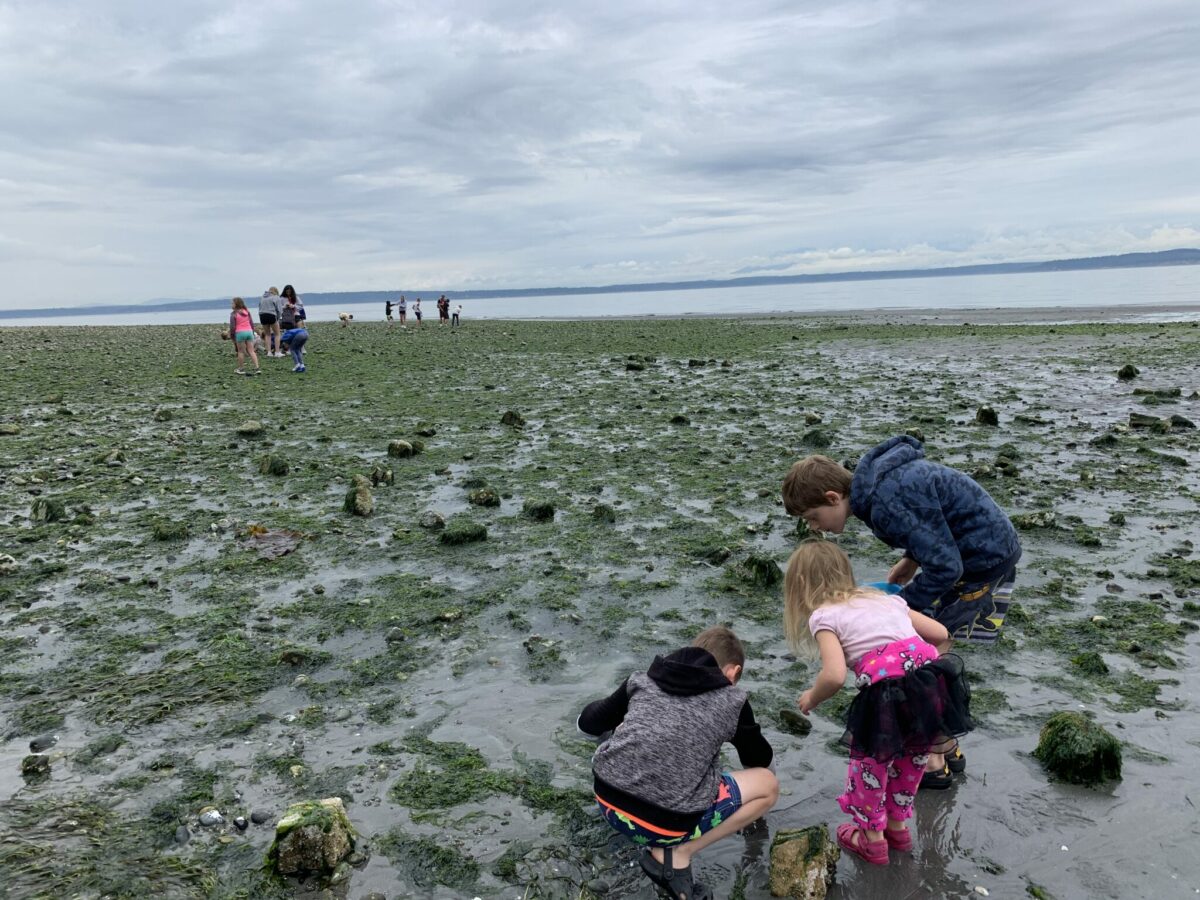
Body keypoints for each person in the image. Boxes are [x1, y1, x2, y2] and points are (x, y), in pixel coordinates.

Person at [781, 435, 1020, 785]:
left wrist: (896, 605)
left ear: (833, 498)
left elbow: (946, 568)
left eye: (814, 518)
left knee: (930, 645)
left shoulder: (883, 505)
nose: (816, 528)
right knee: (926, 644)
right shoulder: (876, 486)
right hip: (983, 547)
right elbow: (933, 519)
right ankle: (947, 744)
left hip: (983, 559)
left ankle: (934, 760)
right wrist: (910, 559)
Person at [784, 541, 971, 866]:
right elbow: (940, 632)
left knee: (869, 766)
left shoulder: (823, 615)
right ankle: (897, 828)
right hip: (930, 684)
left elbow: (834, 675)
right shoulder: (884, 597)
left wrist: (811, 697)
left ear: (800, 586)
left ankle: (871, 838)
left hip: (887, 694)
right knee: (913, 758)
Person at [578, 626, 778, 900]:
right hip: (666, 826)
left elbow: (587, 724)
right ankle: (677, 855)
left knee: (622, 725)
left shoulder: (643, 679)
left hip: (607, 802)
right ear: (732, 672)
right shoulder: (733, 700)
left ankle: (634, 809)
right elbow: (758, 761)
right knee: (768, 786)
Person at [228, 297, 261, 376]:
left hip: (240, 333)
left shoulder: (234, 314)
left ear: (236, 304)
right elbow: (251, 323)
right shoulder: (247, 312)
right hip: (249, 332)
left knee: (241, 351)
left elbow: (232, 327)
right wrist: (252, 332)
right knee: (251, 351)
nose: (231, 305)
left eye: (232, 303)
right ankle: (257, 368)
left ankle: (241, 368)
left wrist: (233, 336)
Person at [259, 287, 283, 357]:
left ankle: (269, 352)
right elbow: (279, 310)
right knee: (277, 334)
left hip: (262, 315)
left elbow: (259, 307)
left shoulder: (262, 297)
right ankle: (277, 352)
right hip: (271, 315)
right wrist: (277, 318)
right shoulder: (276, 297)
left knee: (267, 334)